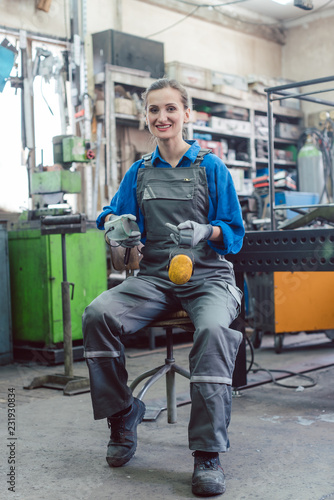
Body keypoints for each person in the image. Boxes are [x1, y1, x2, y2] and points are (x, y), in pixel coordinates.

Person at [82, 78, 245, 497]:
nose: (162, 117)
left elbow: (237, 234)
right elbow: (110, 215)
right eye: (154, 110)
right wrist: (114, 225)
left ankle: (207, 454)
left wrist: (208, 231)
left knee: (212, 333)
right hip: (155, 278)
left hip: (208, 277)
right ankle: (123, 415)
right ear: (147, 117)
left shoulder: (212, 167)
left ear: (186, 114)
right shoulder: (139, 172)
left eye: (171, 109)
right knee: (98, 314)